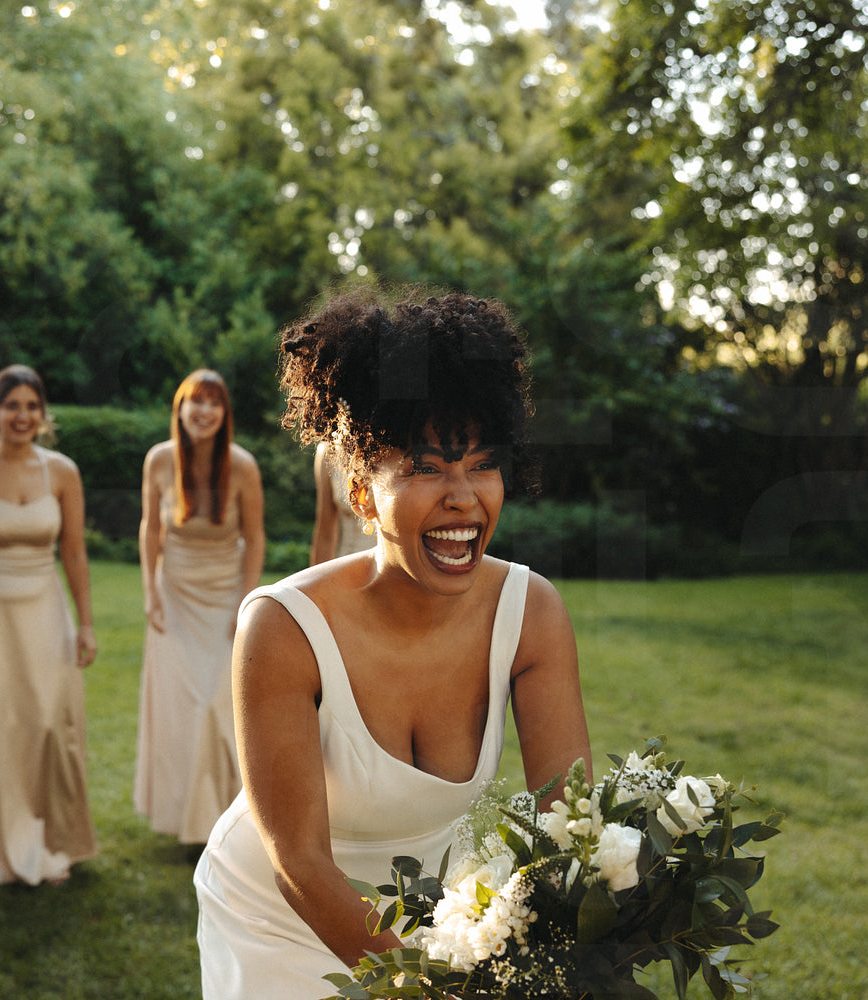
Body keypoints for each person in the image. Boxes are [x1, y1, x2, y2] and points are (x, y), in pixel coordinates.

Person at [194, 288, 592, 999]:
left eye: (482, 464)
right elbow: (301, 865)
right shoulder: (282, 629)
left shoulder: (532, 613)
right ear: (360, 493)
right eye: (425, 468)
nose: (463, 497)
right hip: (280, 916)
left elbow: (569, 821)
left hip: (441, 916)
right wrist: (435, 990)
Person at [0, 364, 98, 885]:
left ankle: (51, 841)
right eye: (12, 406)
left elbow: (74, 552)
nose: (22, 416)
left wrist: (86, 624)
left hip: (44, 606)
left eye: (32, 406)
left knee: (49, 722)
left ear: (43, 414)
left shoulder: (63, 472)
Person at [133, 369, 265, 844]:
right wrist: (150, 593)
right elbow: (151, 527)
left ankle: (229, 817)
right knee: (182, 708)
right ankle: (185, 819)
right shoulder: (159, 459)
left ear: (225, 413)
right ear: (181, 408)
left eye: (214, 402)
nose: (204, 411)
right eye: (196, 401)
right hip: (174, 592)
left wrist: (245, 601)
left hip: (225, 594)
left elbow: (255, 538)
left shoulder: (243, 466)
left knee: (218, 704)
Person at [308, 441, 374, 565]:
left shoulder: (404, 449)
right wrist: (320, 576)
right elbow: (325, 534)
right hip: (348, 567)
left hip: (395, 572)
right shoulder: (329, 451)